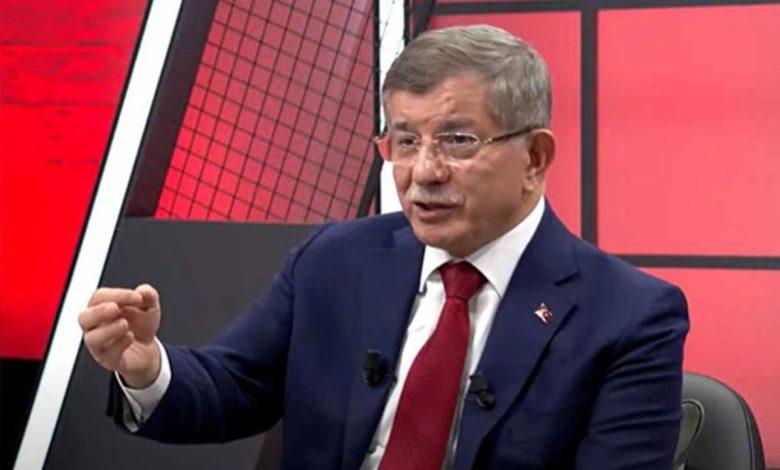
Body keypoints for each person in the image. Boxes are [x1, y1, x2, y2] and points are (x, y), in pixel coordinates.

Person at [78, 24, 689, 469]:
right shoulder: (336, 259)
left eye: (456, 141)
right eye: (404, 141)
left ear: (534, 157)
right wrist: (147, 367)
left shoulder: (629, 316)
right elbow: (234, 388)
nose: (423, 172)